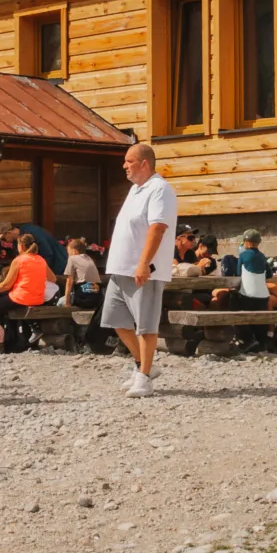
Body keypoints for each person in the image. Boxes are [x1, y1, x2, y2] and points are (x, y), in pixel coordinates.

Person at [103, 142, 176, 398]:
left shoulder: (160, 189)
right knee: (115, 320)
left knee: (145, 325)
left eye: (128, 161)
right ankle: (143, 365)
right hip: (120, 268)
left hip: (144, 269)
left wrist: (144, 263)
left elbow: (157, 228)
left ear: (144, 163)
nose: (124, 166)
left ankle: (144, 378)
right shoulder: (135, 189)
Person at [0, 231, 55, 352]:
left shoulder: (19, 260)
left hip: (21, 297)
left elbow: (7, 284)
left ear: (22, 246)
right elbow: (53, 279)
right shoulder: (41, 260)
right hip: (37, 298)